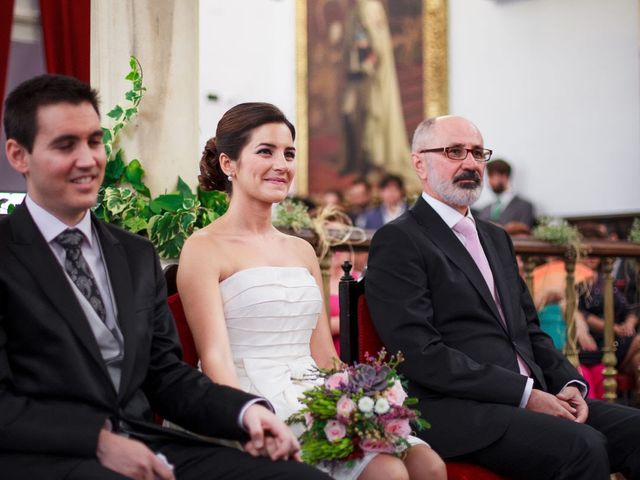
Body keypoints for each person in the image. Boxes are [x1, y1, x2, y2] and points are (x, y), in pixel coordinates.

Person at [0, 74, 330, 480]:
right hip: (45, 455)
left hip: (143, 438)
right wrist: (97, 442)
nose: (87, 159)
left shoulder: (135, 255)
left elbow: (165, 375)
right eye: (65, 145)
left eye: (94, 141)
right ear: (18, 155)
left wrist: (245, 412)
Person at [177, 102, 446, 480]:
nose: (281, 165)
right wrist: (247, 417)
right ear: (228, 164)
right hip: (252, 398)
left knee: (428, 464)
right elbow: (215, 356)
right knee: (387, 473)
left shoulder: (302, 250)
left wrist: (363, 403)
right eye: (265, 151)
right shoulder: (204, 248)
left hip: (314, 393)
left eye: (288, 153)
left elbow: (323, 353)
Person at [365, 115, 640, 479]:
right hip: (458, 410)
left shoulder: (496, 238)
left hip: (529, 395)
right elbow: (421, 354)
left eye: (478, 153)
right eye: (454, 151)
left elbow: (528, 329)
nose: (471, 163)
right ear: (419, 163)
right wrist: (525, 394)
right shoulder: (400, 240)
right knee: (582, 446)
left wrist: (569, 384)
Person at [475, 158, 535, 229]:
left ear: (504, 176)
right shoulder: (485, 209)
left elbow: (526, 232)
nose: (489, 181)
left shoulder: (524, 206)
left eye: (492, 176)